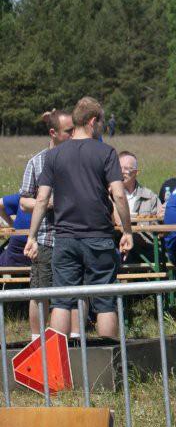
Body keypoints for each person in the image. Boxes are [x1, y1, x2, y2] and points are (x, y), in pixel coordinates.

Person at [25, 97, 133, 338]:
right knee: (104, 301)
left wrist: (32, 236)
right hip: (99, 236)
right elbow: (119, 195)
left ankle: (58, 368)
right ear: (93, 121)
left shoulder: (54, 155)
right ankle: (108, 368)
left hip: (64, 239)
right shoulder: (106, 152)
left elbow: (41, 200)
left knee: (61, 300)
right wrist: (127, 231)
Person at [19, 109, 74, 339]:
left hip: (74, 236)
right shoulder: (36, 161)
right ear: (53, 133)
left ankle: (72, 342)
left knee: (74, 293)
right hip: (45, 238)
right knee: (40, 292)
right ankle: (37, 342)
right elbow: (23, 200)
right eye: (68, 131)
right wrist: (46, 203)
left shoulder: (78, 158)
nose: (73, 135)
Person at [119, 151, 159, 218]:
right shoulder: (109, 196)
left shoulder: (150, 197)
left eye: (127, 169)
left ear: (136, 172)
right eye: (119, 168)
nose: (122, 172)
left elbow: (158, 222)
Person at [0, 193, 32, 267]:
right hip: (38, 256)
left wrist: (11, 224)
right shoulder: (56, 201)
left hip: (14, 256)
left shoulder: (23, 198)